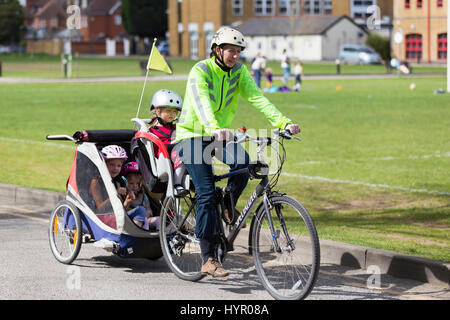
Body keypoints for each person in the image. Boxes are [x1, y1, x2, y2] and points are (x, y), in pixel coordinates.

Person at [174, 27, 300, 278]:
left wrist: (282, 122)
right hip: (191, 135)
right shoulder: (201, 70)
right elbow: (201, 103)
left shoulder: (239, 72)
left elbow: (257, 98)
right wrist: (213, 127)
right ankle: (209, 258)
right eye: (230, 50)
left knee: (245, 164)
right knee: (207, 193)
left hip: (218, 133)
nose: (235, 55)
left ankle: (228, 204)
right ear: (217, 50)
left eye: (238, 51)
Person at [148, 89, 188, 196]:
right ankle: (177, 184)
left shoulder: (178, 127)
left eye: (175, 111)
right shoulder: (152, 131)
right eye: (168, 111)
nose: (172, 114)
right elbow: (156, 151)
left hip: (182, 156)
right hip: (165, 159)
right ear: (157, 111)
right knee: (182, 152)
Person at [121, 161, 159, 231]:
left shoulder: (143, 196)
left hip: (144, 219)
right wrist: (127, 201)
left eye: (137, 183)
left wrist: (148, 213)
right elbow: (121, 212)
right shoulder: (123, 195)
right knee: (142, 213)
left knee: (158, 220)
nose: (134, 186)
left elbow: (148, 209)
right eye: (131, 183)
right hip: (129, 220)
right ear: (125, 182)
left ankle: (159, 237)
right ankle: (145, 234)